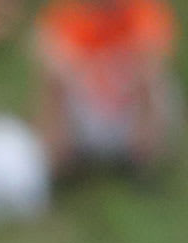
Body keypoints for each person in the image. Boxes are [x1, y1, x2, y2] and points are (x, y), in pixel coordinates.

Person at [33, 0, 181, 178]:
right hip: (87, 116)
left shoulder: (142, 11)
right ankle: (58, 163)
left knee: (155, 79)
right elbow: (50, 63)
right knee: (55, 73)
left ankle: (146, 164)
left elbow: (153, 62)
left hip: (129, 114)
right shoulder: (68, 13)